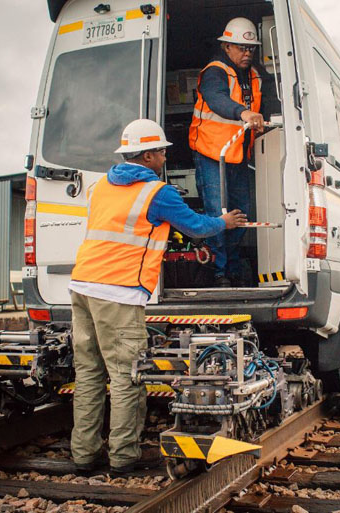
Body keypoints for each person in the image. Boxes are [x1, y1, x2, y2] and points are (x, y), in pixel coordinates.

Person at [68, 119, 246, 474]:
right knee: (126, 377)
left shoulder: (101, 185)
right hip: (118, 292)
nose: (165, 156)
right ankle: (123, 458)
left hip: (82, 285)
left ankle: (84, 456)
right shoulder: (157, 192)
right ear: (147, 155)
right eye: (162, 151)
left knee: (88, 374)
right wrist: (224, 222)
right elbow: (196, 226)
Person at [189, 17, 265, 288]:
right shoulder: (215, 71)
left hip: (238, 156)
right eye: (240, 48)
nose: (247, 53)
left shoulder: (254, 76)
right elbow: (217, 99)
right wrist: (243, 112)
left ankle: (231, 267)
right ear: (226, 47)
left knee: (241, 214)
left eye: (251, 49)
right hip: (212, 152)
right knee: (217, 214)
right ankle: (218, 272)